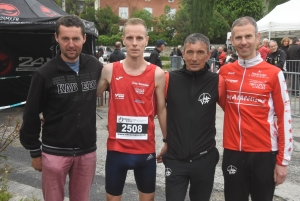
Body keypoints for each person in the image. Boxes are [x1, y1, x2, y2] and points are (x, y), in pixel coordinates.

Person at [19, 15, 102, 201]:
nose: (71, 44)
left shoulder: (95, 66)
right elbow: (31, 114)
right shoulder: (44, 73)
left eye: (75, 39)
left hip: (86, 151)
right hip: (54, 152)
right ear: (57, 38)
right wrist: (34, 151)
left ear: (84, 38)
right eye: (65, 39)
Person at [218, 16, 293, 201]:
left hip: (264, 153)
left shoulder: (274, 73)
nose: (244, 42)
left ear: (257, 38)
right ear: (232, 40)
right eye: (238, 38)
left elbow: (285, 118)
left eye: (248, 36)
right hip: (233, 152)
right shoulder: (225, 72)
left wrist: (283, 161)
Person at [96, 18, 167, 201]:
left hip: (145, 152)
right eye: (130, 38)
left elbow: (161, 110)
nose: (134, 43)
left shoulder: (157, 74)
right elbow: (88, 99)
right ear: (123, 40)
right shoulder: (109, 70)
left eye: (139, 38)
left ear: (146, 40)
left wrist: (167, 141)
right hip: (116, 151)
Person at [156, 33, 225, 201]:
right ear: (183, 53)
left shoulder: (217, 82)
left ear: (209, 54)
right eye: (190, 52)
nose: (194, 58)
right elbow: (154, 110)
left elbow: (235, 113)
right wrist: (166, 142)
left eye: (200, 52)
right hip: (175, 158)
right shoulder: (169, 79)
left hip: (204, 158)